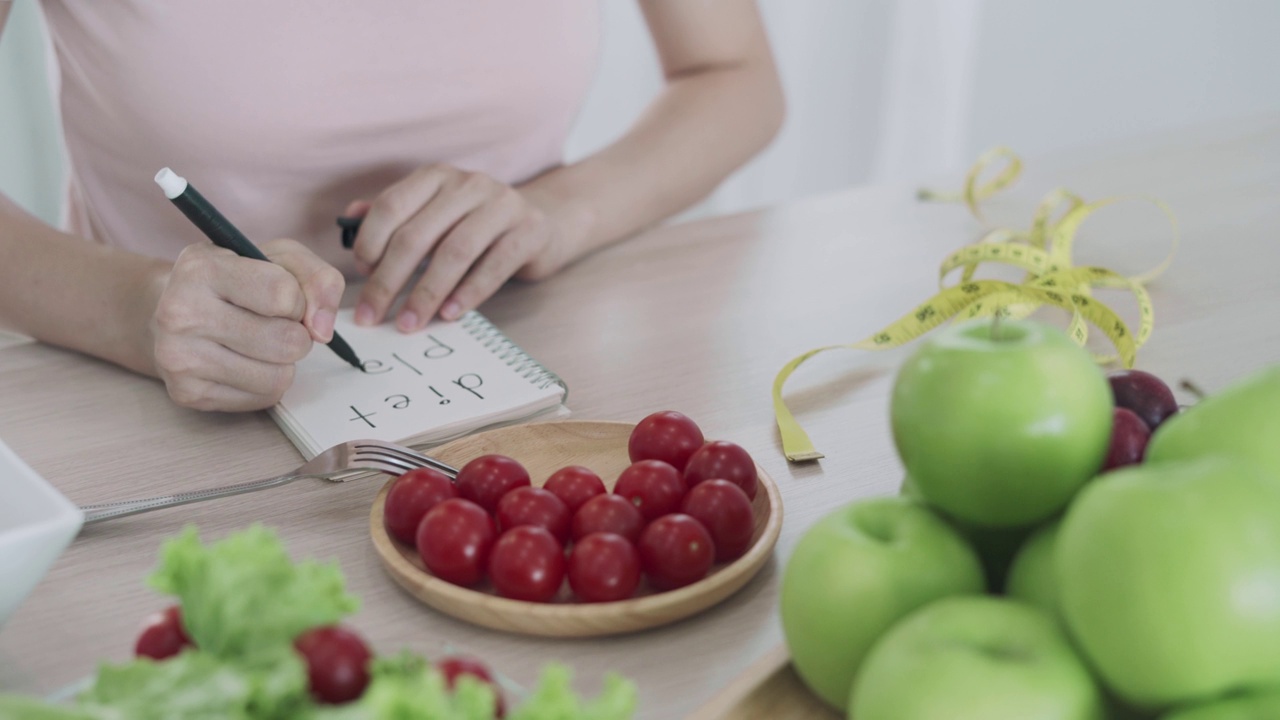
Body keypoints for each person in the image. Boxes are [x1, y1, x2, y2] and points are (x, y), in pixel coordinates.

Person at [0, 1, 784, 411]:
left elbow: (735, 75)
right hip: (150, 414)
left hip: (534, 377)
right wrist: (137, 312)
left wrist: (553, 212)